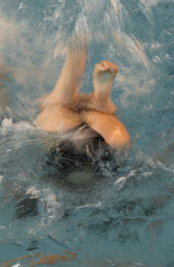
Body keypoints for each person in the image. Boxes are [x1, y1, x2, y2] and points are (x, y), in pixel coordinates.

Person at [34, 35, 130, 170]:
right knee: (55, 107)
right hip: (69, 144)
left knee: (118, 141)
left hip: (98, 150)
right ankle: (73, 79)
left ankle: (99, 104)